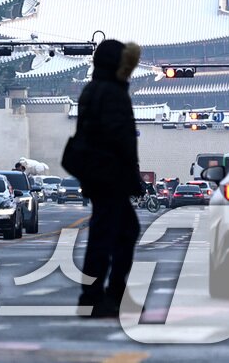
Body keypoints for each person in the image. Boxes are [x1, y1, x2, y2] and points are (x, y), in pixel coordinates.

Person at [73, 38, 142, 319]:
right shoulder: (112, 92)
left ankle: (109, 294)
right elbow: (119, 138)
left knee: (117, 232)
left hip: (97, 174)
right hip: (110, 176)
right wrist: (132, 176)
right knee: (110, 236)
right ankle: (98, 296)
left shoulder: (93, 89)